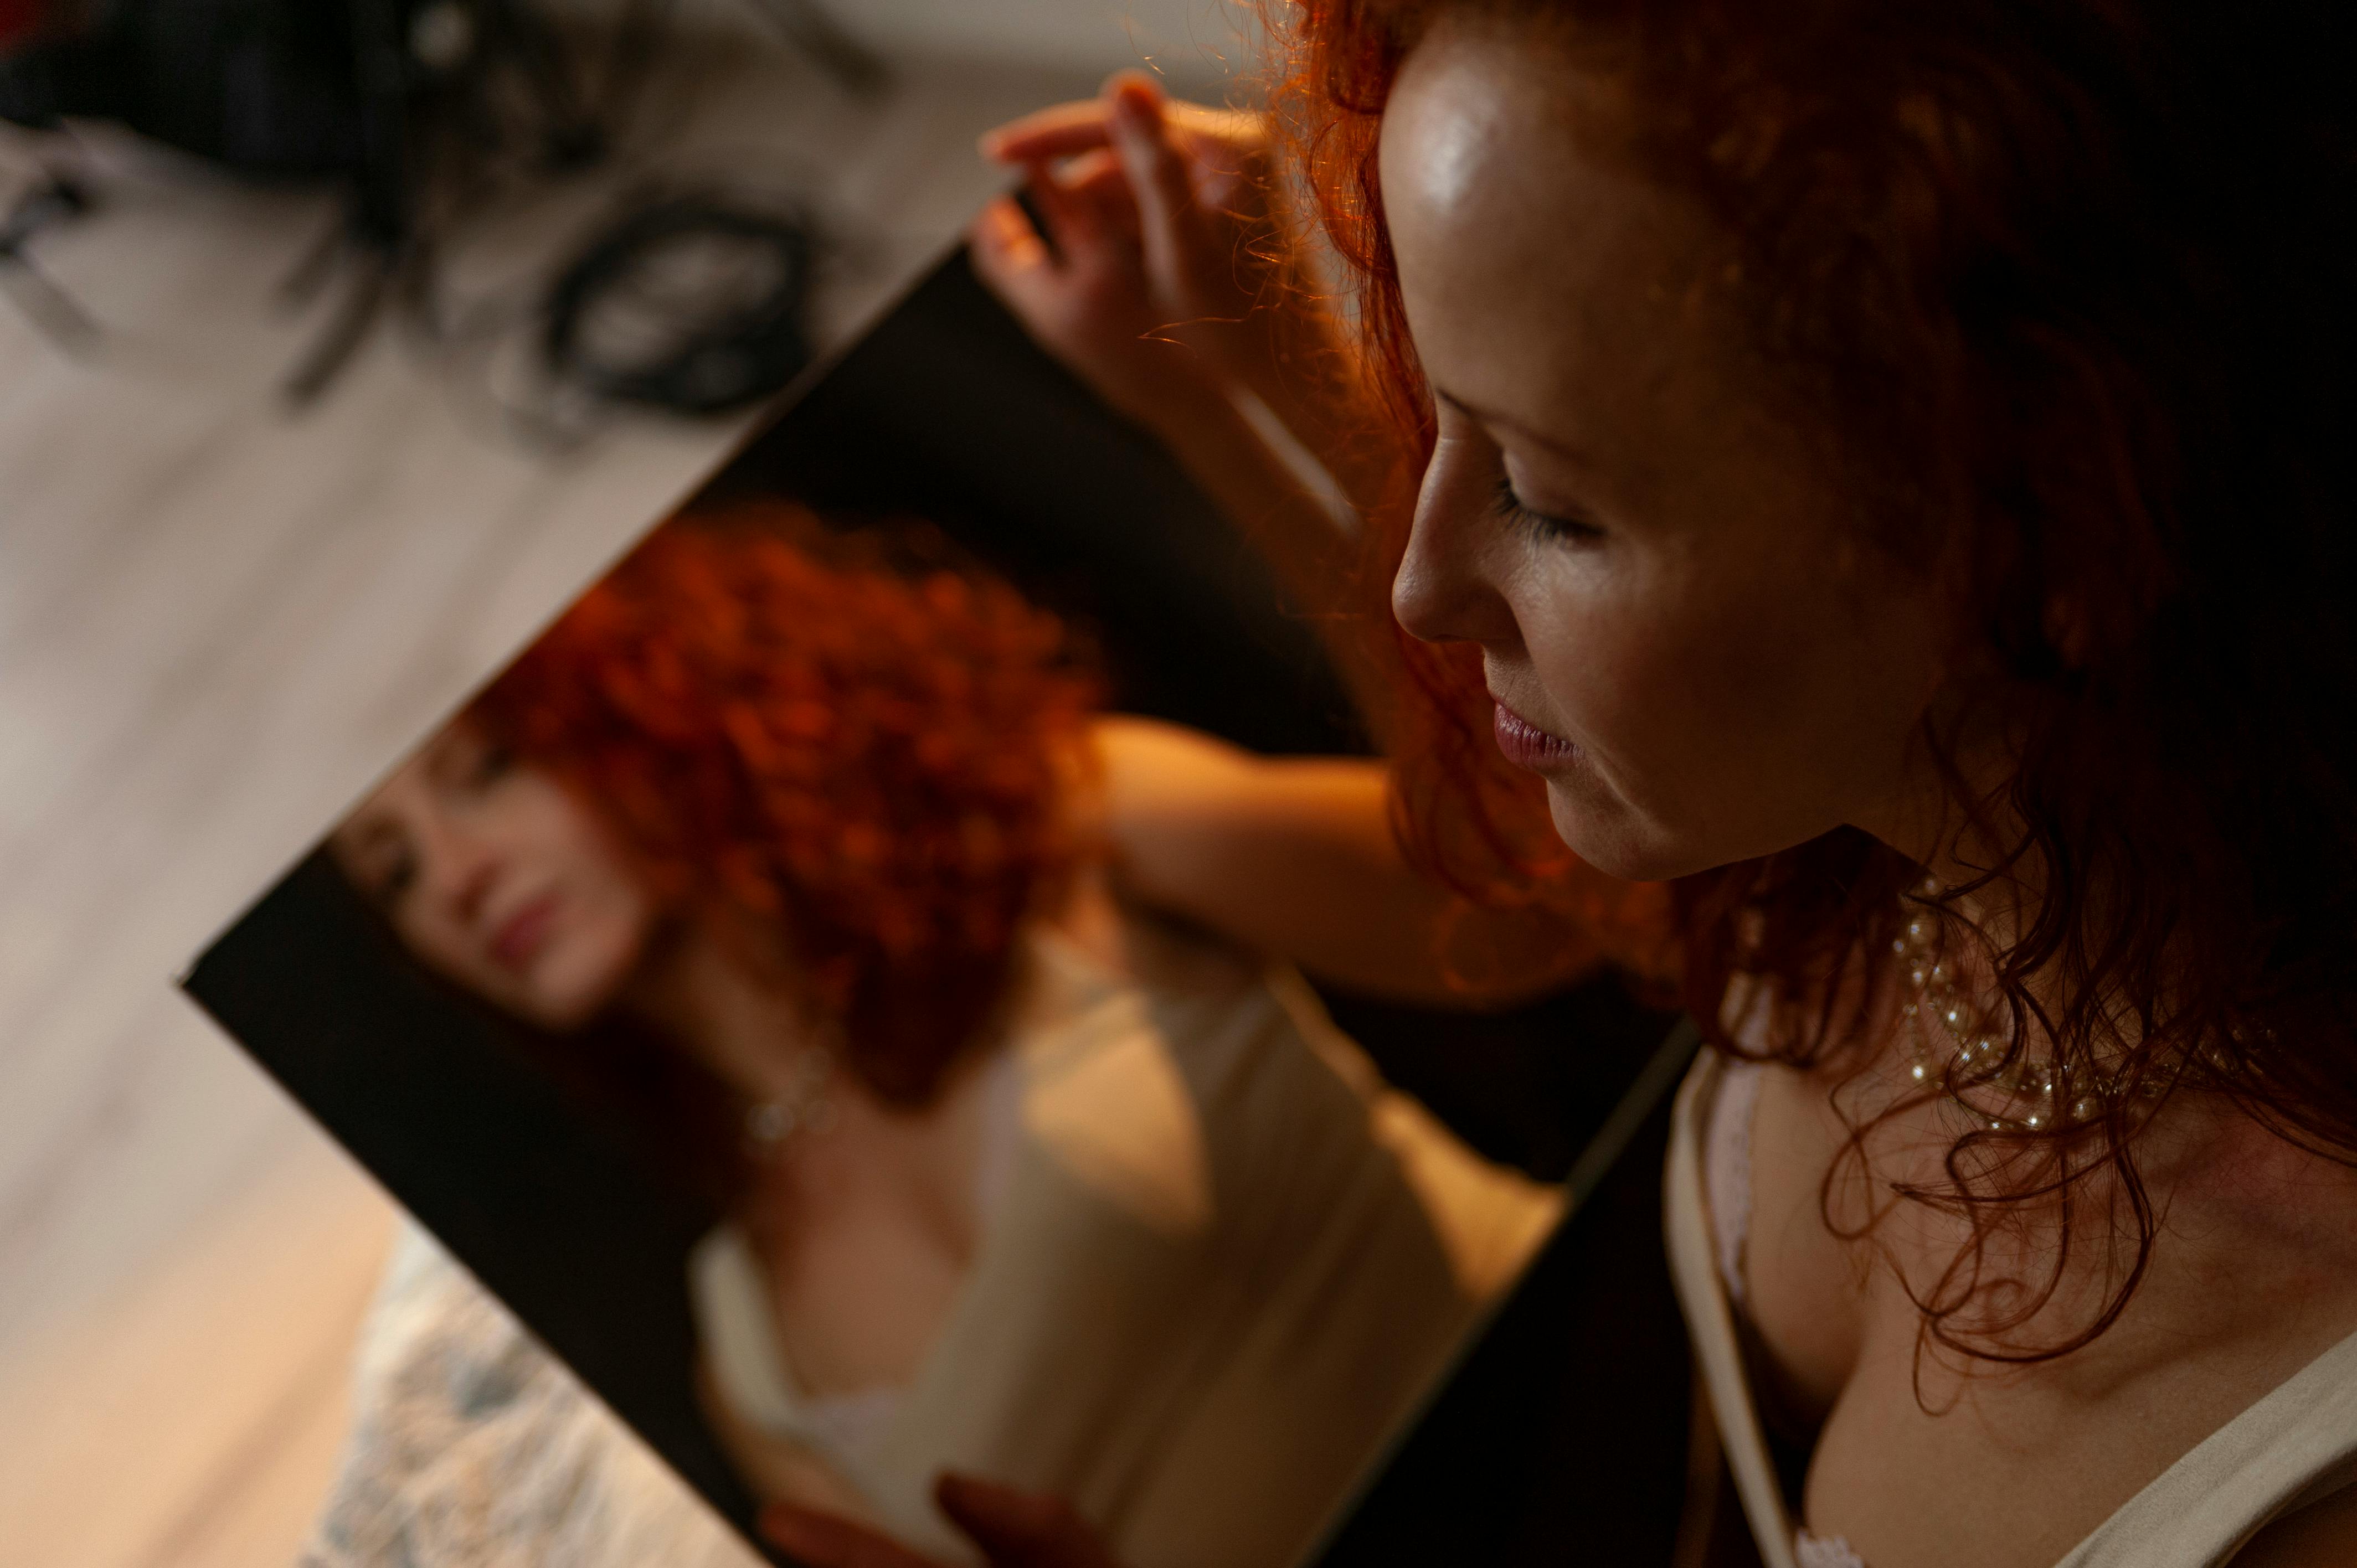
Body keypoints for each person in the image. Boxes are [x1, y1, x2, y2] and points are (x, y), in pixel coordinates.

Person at [761, 2, 2357, 1565]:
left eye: (1546, 501)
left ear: (2049, 518)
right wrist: (1228, 370)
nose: (1422, 591)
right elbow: (1529, 857)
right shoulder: (1883, 862)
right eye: (1441, 417)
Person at [310, 513, 1568, 1568]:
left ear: (639, 703)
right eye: (396, 869)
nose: (458, 878)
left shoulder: (1068, 835)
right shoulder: (744, 1358)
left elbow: (1524, 906)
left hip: (1645, 1411)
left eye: (486, 769)